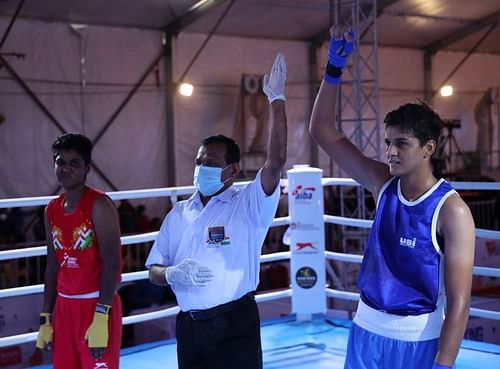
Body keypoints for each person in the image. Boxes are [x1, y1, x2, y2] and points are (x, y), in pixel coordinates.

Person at [309, 26, 475, 369]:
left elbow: (459, 302)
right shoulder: (382, 182)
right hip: (365, 330)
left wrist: (444, 364)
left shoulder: (451, 211)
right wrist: (334, 69)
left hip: (417, 340)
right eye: (388, 142)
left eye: (402, 144)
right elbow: (322, 131)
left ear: (428, 148)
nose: (390, 151)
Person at [145, 52, 288, 369]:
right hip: (190, 328)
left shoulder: (249, 203)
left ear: (233, 170)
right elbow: (153, 271)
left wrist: (276, 100)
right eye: (199, 162)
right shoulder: (178, 213)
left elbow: (275, 163)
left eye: (210, 163)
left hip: (235, 325)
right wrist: (171, 274)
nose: (201, 169)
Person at [36, 133, 123, 369]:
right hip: (64, 308)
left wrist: (102, 315)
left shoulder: (99, 205)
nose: (66, 168)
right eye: (60, 162)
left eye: (74, 163)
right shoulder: (51, 209)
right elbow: (53, 264)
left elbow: (112, 263)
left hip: (96, 304)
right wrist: (46, 316)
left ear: (87, 168)